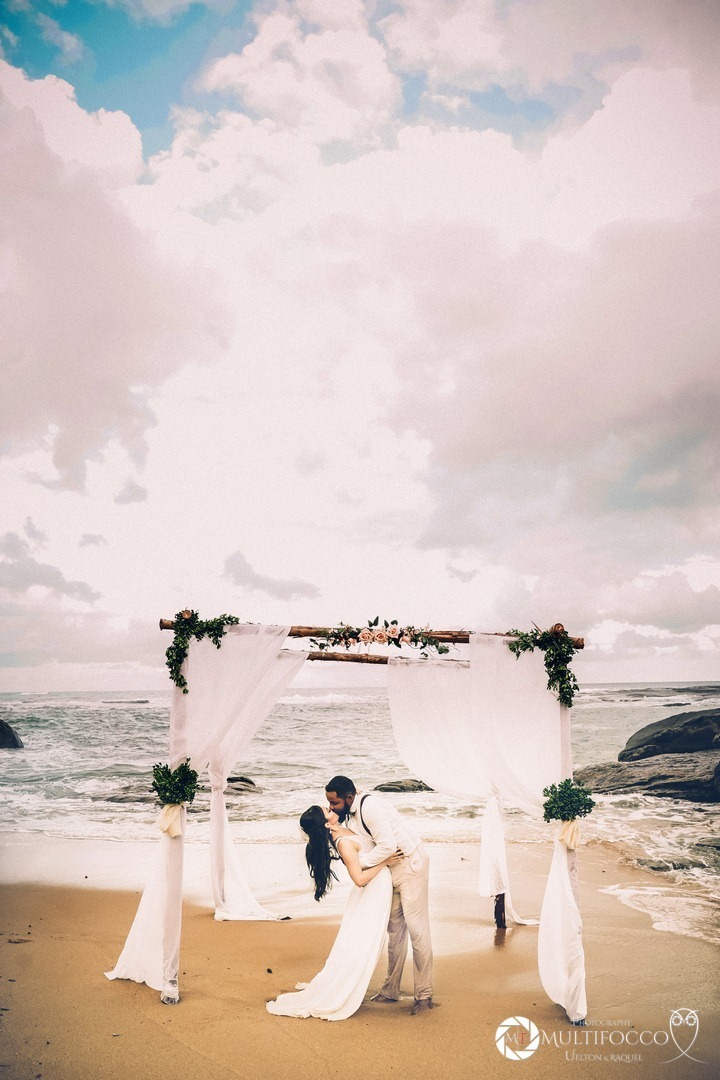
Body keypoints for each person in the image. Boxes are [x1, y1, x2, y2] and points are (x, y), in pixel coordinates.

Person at [265, 805, 397, 1021]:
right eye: (327, 809)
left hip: (376, 888)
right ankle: (345, 987)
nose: (331, 808)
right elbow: (359, 879)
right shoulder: (343, 843)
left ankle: (355, 983)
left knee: (358, 940)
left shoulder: (342, 829)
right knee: (361, 942)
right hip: (372, 889)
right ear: (326, 822)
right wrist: (385, 860)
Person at [325, 774, 435, 1014]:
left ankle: (424, 995)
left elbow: (387, 845)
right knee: (394, 933)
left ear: (349, 797)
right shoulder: (351, 812)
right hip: (389, 871)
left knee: (417, 931)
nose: (332, 807)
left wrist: (360, 863)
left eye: (335, 803)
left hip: (410, 865)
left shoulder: (370, 807)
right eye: (330, 804)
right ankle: (390, 990)